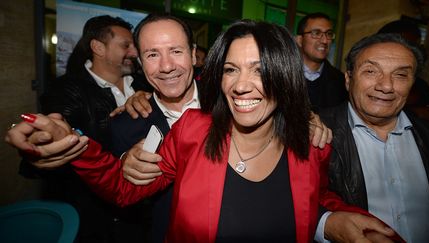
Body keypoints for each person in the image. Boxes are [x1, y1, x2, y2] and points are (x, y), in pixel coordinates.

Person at [6, 20, 400, 243]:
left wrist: (335, 221)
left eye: (260, 69)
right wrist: (76, 144)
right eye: (230, 69)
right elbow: (122, 188)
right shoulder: (193, 130)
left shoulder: (312, 145)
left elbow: (316, 200)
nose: (241, 85)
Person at [24, 15, 151, 243]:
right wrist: (42, 144)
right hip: (93, 217)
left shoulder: (144, 85)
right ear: (98, 47)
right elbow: (53, 133)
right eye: (126, 45)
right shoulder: (67, 89)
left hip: (142, 210)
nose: (134, 52)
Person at [320, 33, 429, 242]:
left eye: (400, 75)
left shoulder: (428, 136)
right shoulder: (315, 132)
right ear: (348, 79)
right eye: (371, 71)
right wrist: (326, 224)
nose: (386, 86)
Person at [377, 19, 429, 122]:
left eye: (417, 44)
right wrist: (416, 113)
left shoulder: (421, 85)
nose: (415, 51)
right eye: (407, 46)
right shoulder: (370, 82)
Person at [296, 12, 348, 112]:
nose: (324, 40)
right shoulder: (282, 75)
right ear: (299, 40)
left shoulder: (341, 82)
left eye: (328, 34)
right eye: (316, 33)